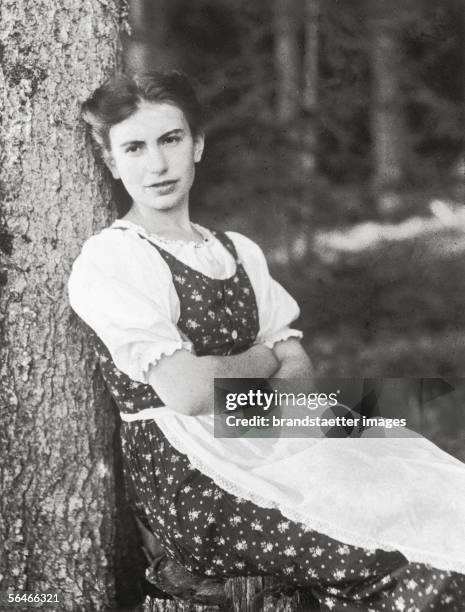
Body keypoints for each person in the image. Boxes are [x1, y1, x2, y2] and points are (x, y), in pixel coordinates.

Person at [68, 72, 465, 611]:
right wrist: (260, 357)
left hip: (265, 421)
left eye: (171, 139)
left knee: (431, 467)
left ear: (198, 144)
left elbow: (295, 367)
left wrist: (278, 399)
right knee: (394, 552)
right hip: (192, 469)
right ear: (113, 163)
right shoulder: (115, 257)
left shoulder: (239, 251)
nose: (157, 165)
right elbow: (186, 393)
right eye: (134, 148)